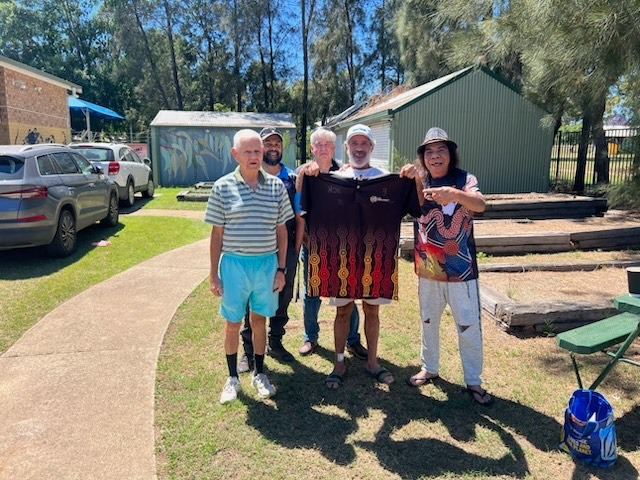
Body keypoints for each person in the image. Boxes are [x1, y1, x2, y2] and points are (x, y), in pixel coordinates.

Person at [300, 124, 421, 389]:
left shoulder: (387, 180)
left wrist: (415, 178)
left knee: (372, 311)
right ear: (346, 148)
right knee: (342, 311)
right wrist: (305, 175)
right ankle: (339, 362)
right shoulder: (331, 180)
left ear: (372, 147)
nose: (359, 148)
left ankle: (372, 362)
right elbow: (304, 204)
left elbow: (416, 207)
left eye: (364, 143)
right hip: (341, 256)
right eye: (354, 143)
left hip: (375, 256)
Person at [401, 127, 492, 406]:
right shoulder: (420, 181)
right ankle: (429, 367)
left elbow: (480, 204)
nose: (435, 156)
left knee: (468, 326)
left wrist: (454, 194)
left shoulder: (465, 180)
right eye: (429, 152)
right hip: (428, 269)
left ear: (450, 154)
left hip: (461, 271)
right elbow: (402, 204)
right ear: (423, 157)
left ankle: (473, 381)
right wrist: (407, 177)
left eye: (441, 150)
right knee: (428, 320)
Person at [205, 129, 294, 404]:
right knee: (233, 322)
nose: (254, 156)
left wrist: (281, 269)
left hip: (266, 264)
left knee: (259, 320)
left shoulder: (276, 186)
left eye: (257, 151)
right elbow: (217, 234)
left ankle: (259, 373)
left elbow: (282, 231)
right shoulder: (222, 187)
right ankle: (232, 377)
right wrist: (214, 274)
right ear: (236, 154)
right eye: (248, 152)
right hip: (235, 265)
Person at [295, 127, 367, 360]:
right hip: (312, 244)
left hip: (341, 246)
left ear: (334, 148)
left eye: (328, 144)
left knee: (346, 292)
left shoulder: (346, 173)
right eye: (319, 144)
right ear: (312, 148)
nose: (323, 148)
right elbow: (298, 206)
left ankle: (352, 340)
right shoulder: (303, 173)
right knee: (312, 294)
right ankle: (310, 337)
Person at [237, 127, 303, 372]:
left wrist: (295, 250)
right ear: (261, 148)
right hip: (255, 249)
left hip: (286, 248)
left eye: (277, 143)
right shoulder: (249, 175)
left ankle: (275, 341)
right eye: (269, 143)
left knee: (282, 297)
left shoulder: (293, 179)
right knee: (250, 297)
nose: (273, 147)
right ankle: (248, 350)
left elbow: (299, 216)